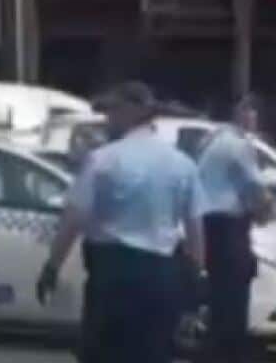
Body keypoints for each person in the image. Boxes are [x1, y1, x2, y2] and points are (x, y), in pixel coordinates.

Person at [37, 81, 206, 363]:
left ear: (131, 112)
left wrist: (52, 266)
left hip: (112, 276)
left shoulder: (103, 160)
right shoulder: (182, 165)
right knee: (152, 354)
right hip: (160, 276)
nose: (107, 119)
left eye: (113, 111)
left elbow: (74, 218)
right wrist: (196, 278)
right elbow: (194, 230)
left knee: (104, 353)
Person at [196, 94, 272, 363]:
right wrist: (266, 213)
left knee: (220, 296)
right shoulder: (238, 145)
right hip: (229, 228)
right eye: (248, 110)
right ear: (236, 113)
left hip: (211, 225)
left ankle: (215, 351)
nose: (253, 116)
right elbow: (256, 189)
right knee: (234, 297)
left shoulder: (213, 140)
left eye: (254, 110)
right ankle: (228, 353)